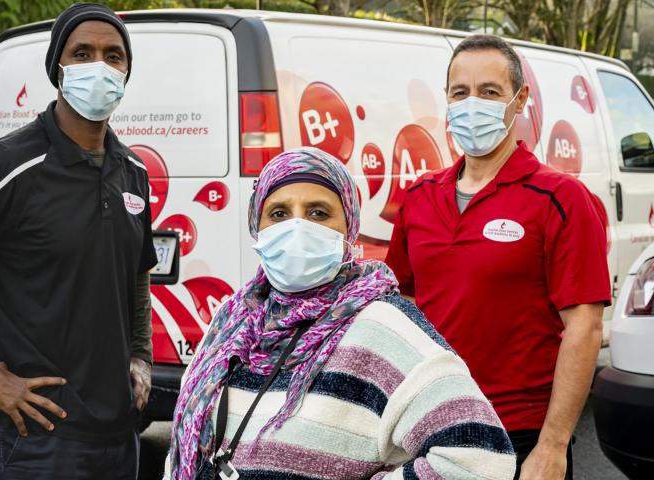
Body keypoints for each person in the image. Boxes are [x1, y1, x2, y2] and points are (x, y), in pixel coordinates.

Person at [162, 147, 516, 480]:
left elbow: (479, 458)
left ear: (349, 229)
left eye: (318, 213)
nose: (297, 228)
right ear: (258, 227)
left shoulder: (380, 327)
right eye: (279, 213)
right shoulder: (234, 321)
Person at [0, 3, 157, 479]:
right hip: (32, 444)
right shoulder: (1, 169)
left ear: (126, 71)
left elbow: (139, 272)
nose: (100, 66)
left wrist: (140, 354)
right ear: (58, 68)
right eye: (83, 53)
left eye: (113, 56)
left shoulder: (133, 172)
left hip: (120, 441)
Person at [385, 35, 611, 480]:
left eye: (489, 92)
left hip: (519, 435)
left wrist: (552, 447)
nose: (473, 104)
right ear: (447, 100)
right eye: (460, 92)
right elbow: (400, 308)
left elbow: (583, 328)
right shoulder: (419, 198)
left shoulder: (560, 198)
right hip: (433, 428)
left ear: (519, 99)